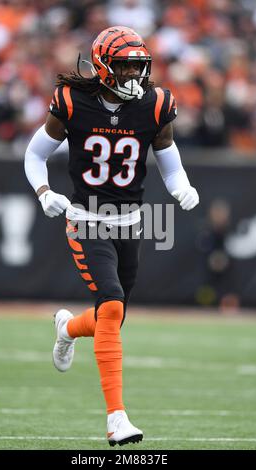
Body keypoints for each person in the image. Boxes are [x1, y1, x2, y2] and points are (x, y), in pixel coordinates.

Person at [24, 25, 199, 447]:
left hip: (131, 220)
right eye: (124, 66)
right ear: (103, 66)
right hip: (85, 217)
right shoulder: (73, 101)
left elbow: (168, 159)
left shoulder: (155, 105)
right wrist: (44, 191)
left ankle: (67, 329)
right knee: (112, 301)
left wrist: (181, 186)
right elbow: (35, 154)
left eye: (139, 67)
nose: (133, 76)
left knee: (112, 316)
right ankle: (116, 417)